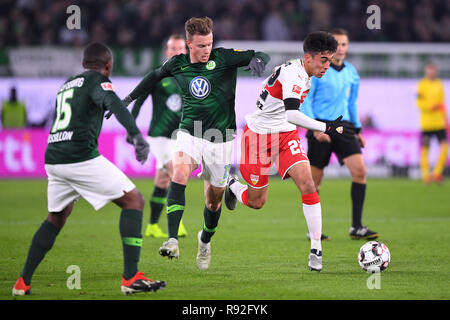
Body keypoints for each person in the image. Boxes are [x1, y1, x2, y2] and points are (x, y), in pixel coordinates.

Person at [12, 42, 166, 296]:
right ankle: (131, 277)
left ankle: (22, 282)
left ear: (84, 64)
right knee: (134, 201)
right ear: (108, 66)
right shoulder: (98, 81)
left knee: (56, 218)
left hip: (53, 158)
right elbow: (113, 102)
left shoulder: (67, 84)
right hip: (79, 156)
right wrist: (136, 135)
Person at [119, 16, 270, 270]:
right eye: (201, 46)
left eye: (209, 44)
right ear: (189, 44)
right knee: (178, 173)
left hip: (220, 139)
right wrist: (129, 98)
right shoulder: (177, 64)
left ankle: (205, 240)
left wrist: (258, 60)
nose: (206, 50)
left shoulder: (223, 57)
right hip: (189, 133)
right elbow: (153, 77)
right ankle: (171, 240)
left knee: (213, 202)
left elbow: (260, 53)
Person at [225, 31, 354, 272]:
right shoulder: (294, 74)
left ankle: (316, 248)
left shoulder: (303, 70)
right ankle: (231, 184)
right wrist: (327, 127)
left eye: (330, 59)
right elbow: (292, 113)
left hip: (285, 135)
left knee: (308, 184)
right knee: (256, 202)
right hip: (258, 137)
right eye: (323, 60)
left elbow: (289, 119)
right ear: (308, 57)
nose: (328, 65)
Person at [300, 28, 378, 240]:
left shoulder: (351, 72)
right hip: (321, 125)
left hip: (343, 126)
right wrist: (315, 128)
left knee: (360, 171)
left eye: (344, 44)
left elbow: (352, 102)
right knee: (314, 182)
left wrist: (359, 130)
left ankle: (357, 227)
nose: (341, 48)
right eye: (338, 45)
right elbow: (305, 100)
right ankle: (313, 231)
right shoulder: (319, 70)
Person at [128, 34, 189, 239]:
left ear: (186, 51)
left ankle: (152, 226)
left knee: (163, 181)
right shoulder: (157, 75)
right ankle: (177, 223)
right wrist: (131, 128)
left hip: (179, 136)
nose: (177, 52)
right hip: (159, 136)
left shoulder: (189, 75)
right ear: (166, 52)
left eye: (181, 49)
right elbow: (139, 101)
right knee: (176, 173)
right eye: (173, 49)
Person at [416, 61, 448, 184]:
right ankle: (426, 175)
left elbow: (442, 104)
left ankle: (437, 173)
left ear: (436, 71)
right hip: (427, 124)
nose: (431, 72)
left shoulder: (439, 84)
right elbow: (419, 103)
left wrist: (446, 119)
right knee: (425, 148)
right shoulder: (422, 85)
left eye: (433, 70)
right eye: (429, 70)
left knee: (444, 147)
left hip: (439, 123)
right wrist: (431, 107)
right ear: (426, 71)